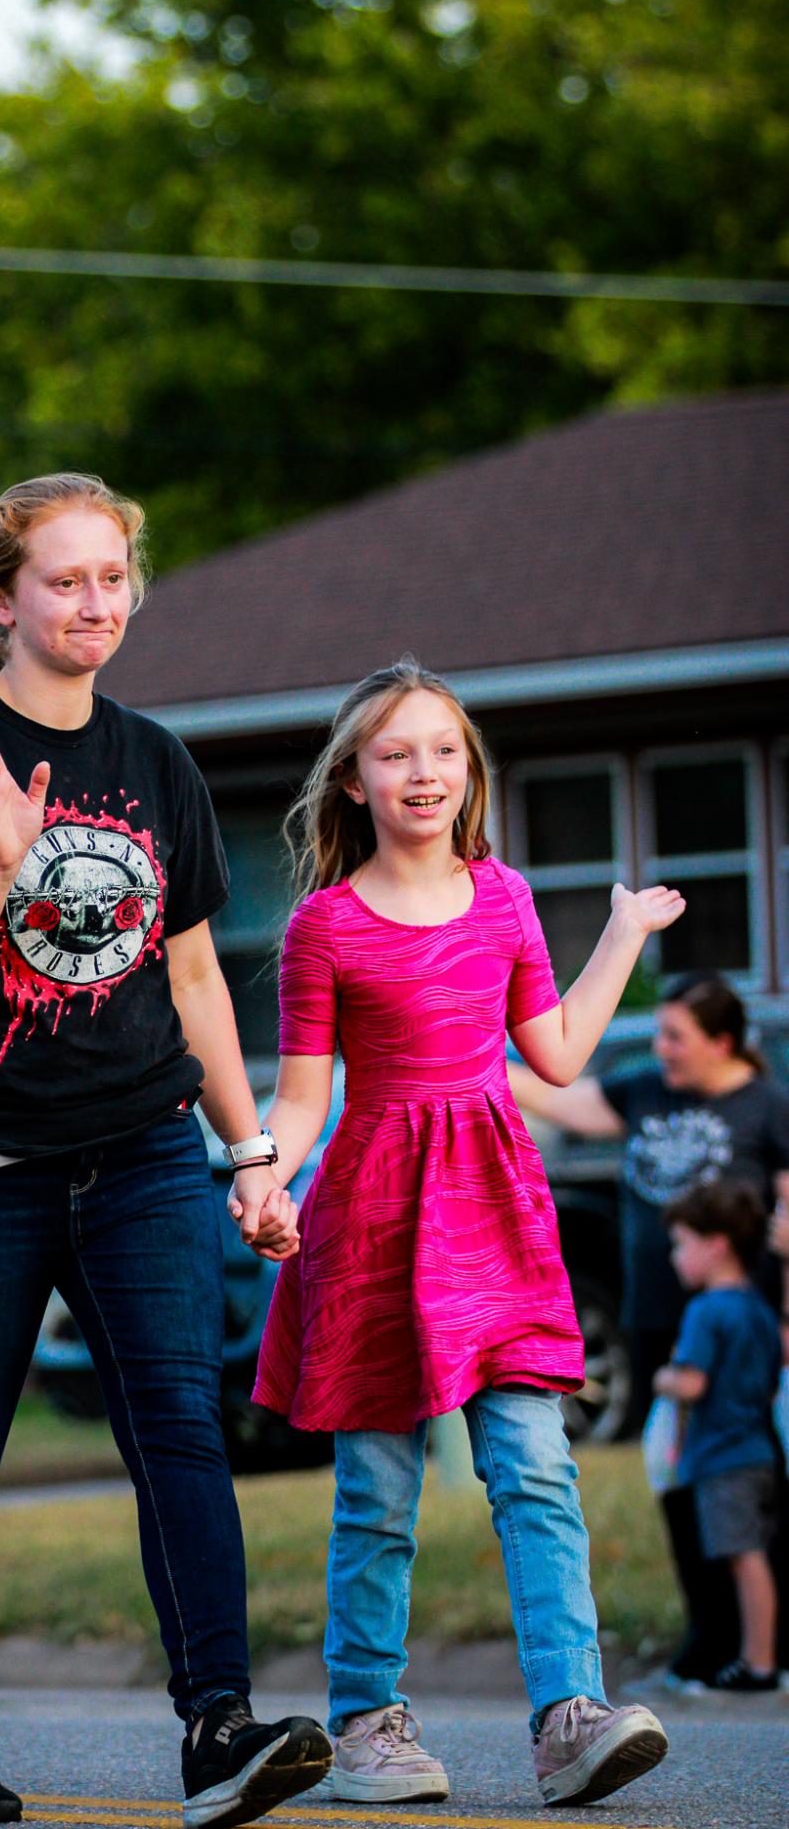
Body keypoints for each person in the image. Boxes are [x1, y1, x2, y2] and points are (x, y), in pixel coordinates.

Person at [0, 473, 330, 1827]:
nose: (94, 603)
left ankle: (219, 1729)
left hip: (139, 1153)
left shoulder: (155, 759)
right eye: (65, 581)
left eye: (111, 578)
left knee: (180, 1423)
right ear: (1, 601)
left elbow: (188, 983)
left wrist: (250, 1158)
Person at [244, 658, 680, 1809]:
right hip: (370, 1218)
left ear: (468, 769)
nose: (422, 771)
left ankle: (568, 1714)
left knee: (534, 1466)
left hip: (491, 1213)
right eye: (394, 753)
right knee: (375, 1492)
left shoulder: (504, 898)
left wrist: (623, 930)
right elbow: (297, 1102)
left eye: (442, 749)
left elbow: (557, 1056)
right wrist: (257, 1177)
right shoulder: (322, 927)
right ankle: (367, 1726)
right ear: (352, 782)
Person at [509, 972, 789, 1686]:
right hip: (660, 1321)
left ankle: (759, 1643)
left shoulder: (766, 1107)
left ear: (722, 1042)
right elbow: (560, 1100)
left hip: (741, 1334)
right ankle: (709, 1637)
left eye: (676, 1036)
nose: (661, 1048)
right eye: (660, 1032)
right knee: (677, 1474)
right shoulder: (642, 1089)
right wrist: (469, 1044)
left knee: (746, 1480)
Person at [653, 1180, 781, 1692]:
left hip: (724, 1457)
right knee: (752, 1554)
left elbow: (691, 1382)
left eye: (683, 1243)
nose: (675, 1256)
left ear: (717, 1244)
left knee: (744, 1558)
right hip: (760, 1449)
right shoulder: (757, 1307)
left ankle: (758, 1662)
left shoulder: (706, 1311)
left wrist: (662, 1377)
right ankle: (754, 1656)